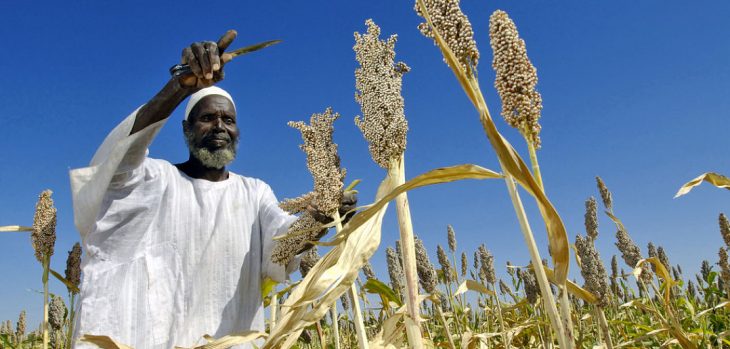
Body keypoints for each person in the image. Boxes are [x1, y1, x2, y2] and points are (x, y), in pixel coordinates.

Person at [68, 31, 353, 349]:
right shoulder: (156, 180)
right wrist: (178, 86)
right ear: (187, 129)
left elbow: (282, 243)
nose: (220, 126)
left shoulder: (254, 192)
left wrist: (320, 217)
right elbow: (114, 165)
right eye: (207, 118)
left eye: (228, 120)